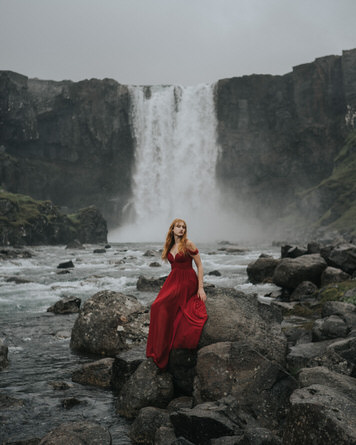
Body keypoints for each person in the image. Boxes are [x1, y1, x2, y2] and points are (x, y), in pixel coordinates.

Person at [146, 218, 208, 369]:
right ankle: (158, 347)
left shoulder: (188, 244)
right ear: (172, 229)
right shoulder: (170, 245)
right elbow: (174, 267)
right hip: (173, 279)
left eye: (183, 227)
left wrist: (200, 288)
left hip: (187, 280)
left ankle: (163, 349)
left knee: (163, 305)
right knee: (156, 306)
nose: (181, 229)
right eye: (178, 226)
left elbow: (199, 265)